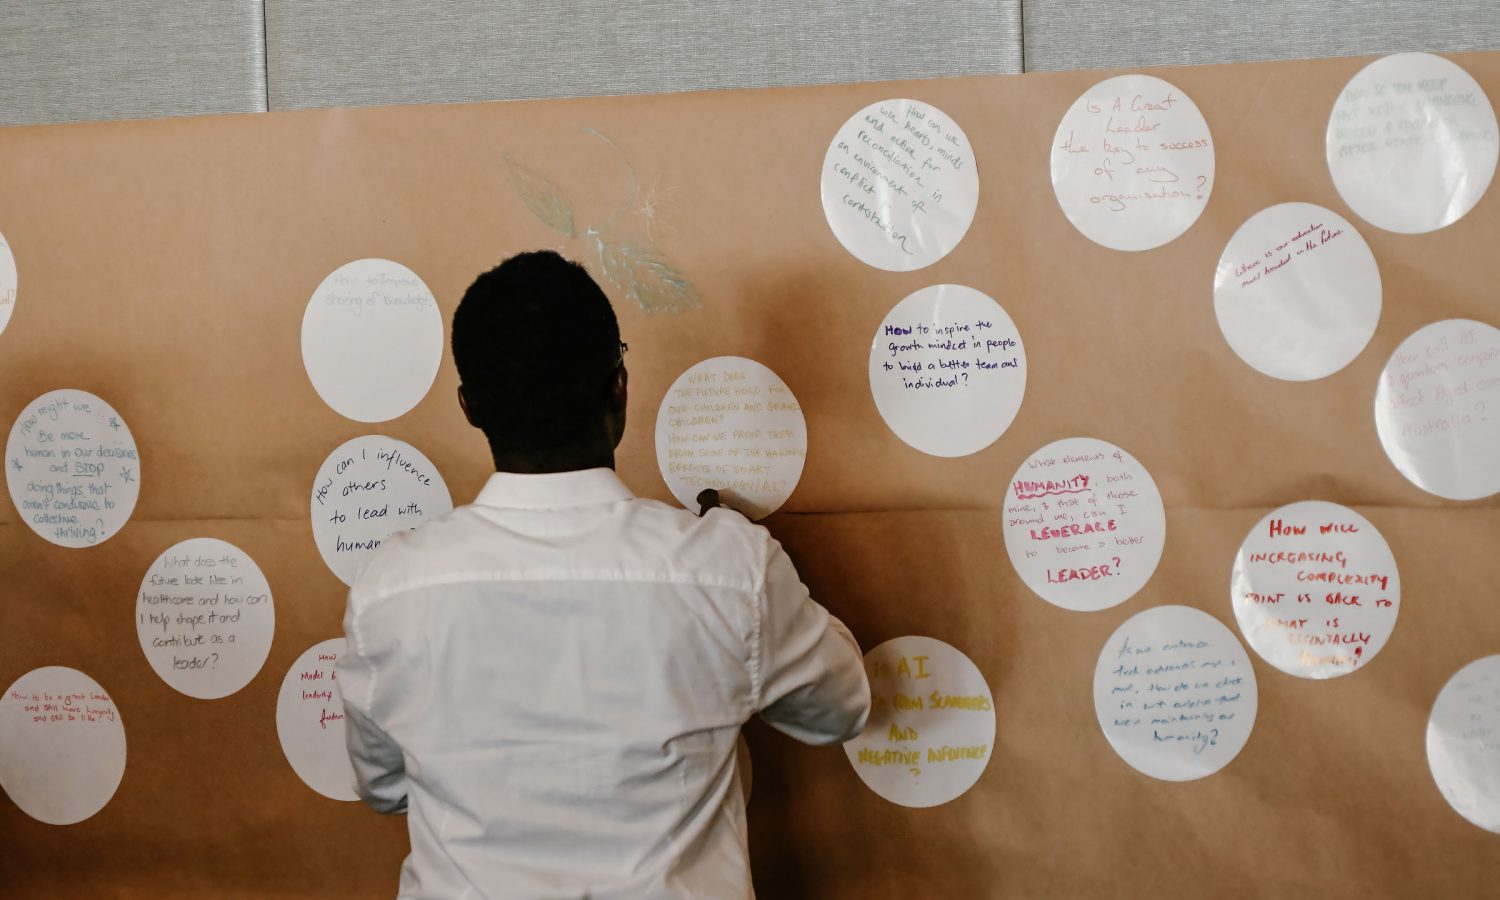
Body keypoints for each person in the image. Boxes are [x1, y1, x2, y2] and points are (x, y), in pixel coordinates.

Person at [337, 250, 871, 899]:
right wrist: (748, 560)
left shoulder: (389, 592)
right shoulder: (729, 570)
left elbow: (386, 788)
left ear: (470, 406)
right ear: (619, 385)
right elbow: (840, 709)